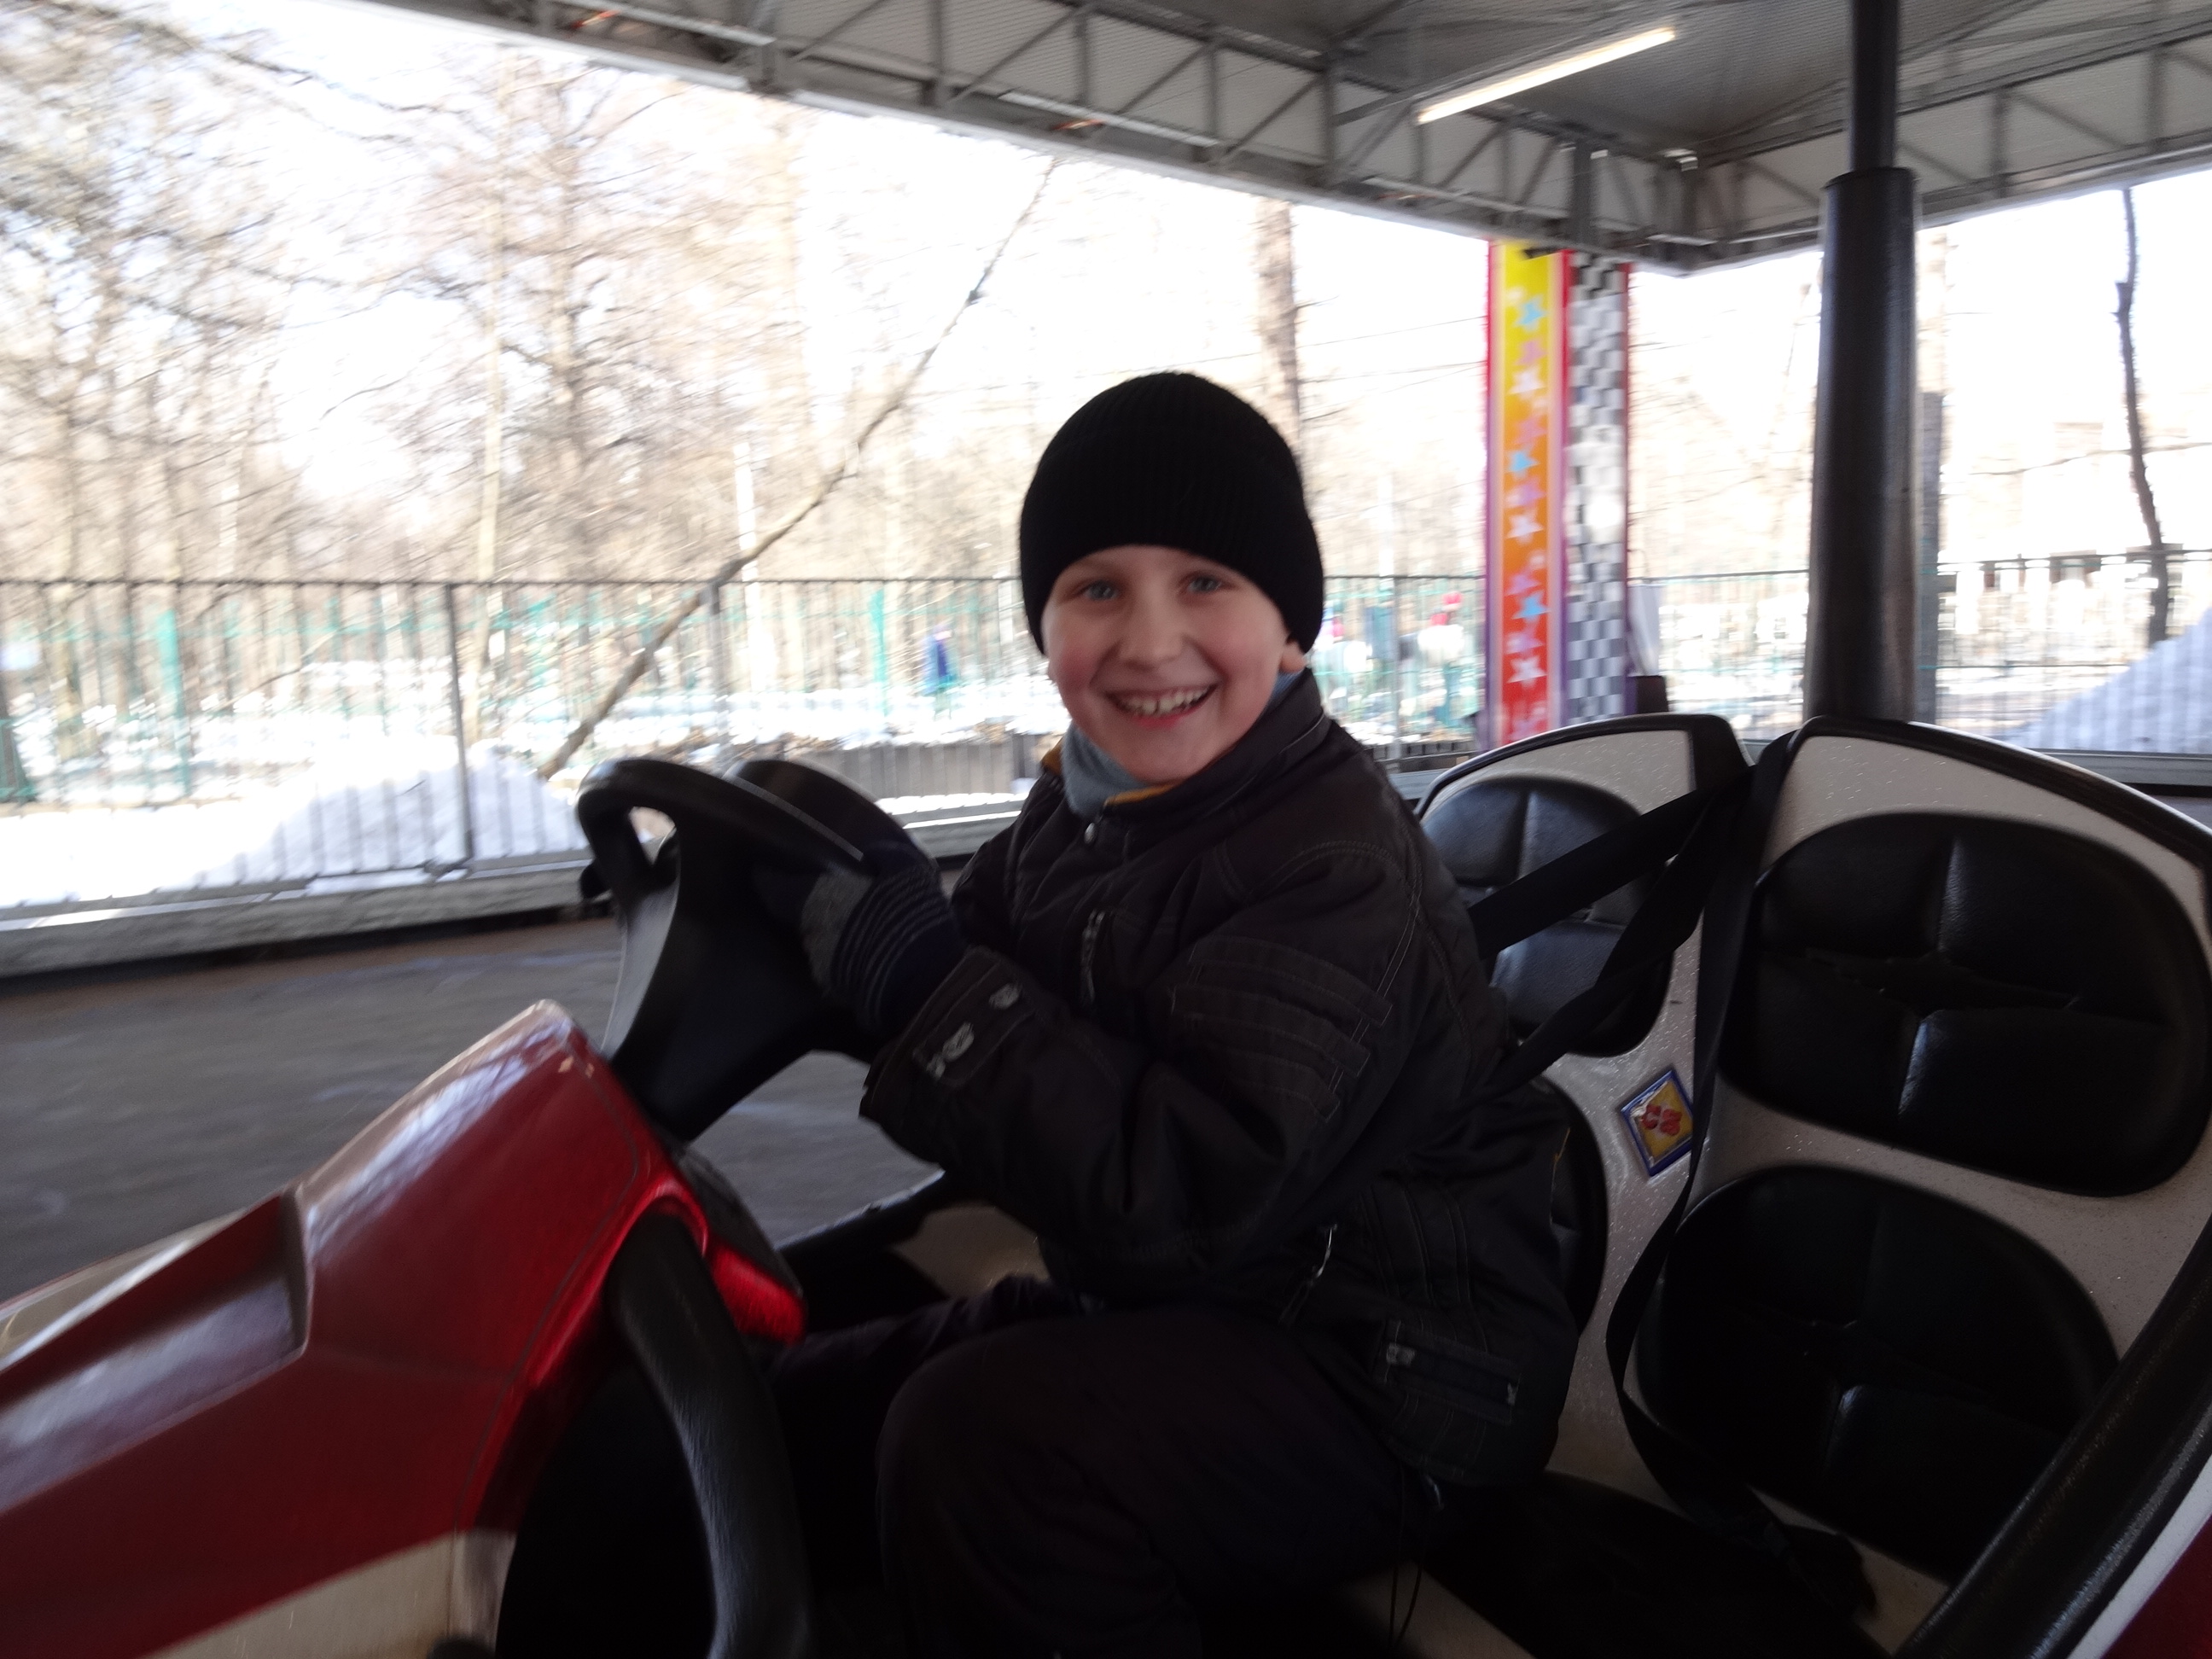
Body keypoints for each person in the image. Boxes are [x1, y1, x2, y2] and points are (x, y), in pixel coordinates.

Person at [760, 372, 1575, 1656]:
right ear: (1045, 629)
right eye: (1097, 589)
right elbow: (985, 1006)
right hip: (1184, 1308)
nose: (1148, 642)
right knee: (772, 1408)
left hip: (1396, 1371)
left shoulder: (1333, 865)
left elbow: (1180, 1199)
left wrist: (920, 991)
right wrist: (818, 947)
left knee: (986, 1451)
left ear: (1291, 630)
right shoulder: (1085, 809)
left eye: (1205, 583)